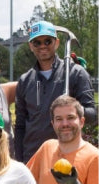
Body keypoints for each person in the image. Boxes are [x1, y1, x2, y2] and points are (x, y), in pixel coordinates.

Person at [15, 20, 96, 163]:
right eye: (37, 43)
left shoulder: (76, 73)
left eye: (47, 41)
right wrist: (19, 162)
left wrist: (74, 108)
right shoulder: (25, 81)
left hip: (68, 158)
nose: (42, 46)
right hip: (33, 158)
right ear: (31, 46)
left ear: (57, 43)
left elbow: (92, 115)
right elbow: (20, 125)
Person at [27, 95, 98, 184]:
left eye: (70, 117)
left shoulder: (94, 156)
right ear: (53, 123)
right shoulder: (47, 147)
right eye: (59, 119)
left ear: (81, 122)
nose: (65, 124)